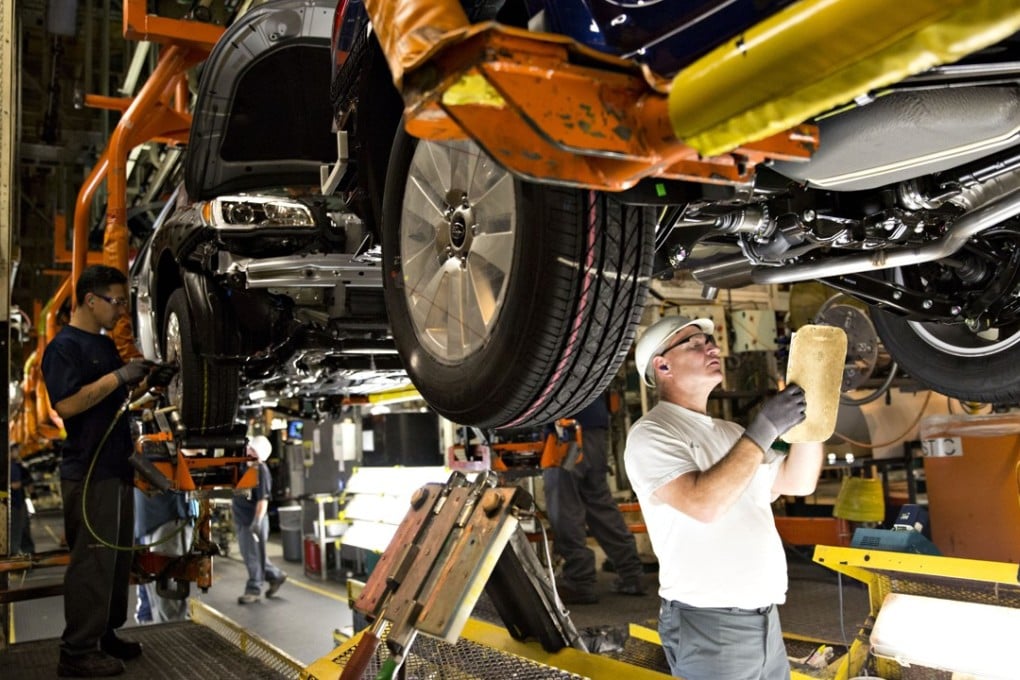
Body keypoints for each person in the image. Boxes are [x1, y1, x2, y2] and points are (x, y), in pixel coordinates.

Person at [624, 315, 824, 680]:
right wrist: (763, 430)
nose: (712, 347)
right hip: (710, 625)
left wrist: (816, 416)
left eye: (709, 341)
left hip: (764, 618)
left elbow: (798, 481)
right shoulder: (651, 434)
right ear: (662, 364)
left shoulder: (732, 434)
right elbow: (703, 504)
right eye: (695, 344)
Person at [42, 264, 157, 677]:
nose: (121, 310)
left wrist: (144, 381)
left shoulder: (105, 345)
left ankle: (103, 636)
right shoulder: (64, 347)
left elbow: (115, 399)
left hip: (115, 467)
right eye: (116, 301)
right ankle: (76, 651)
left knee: (113, 563)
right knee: (91, 564)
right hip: (88, 472)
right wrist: (118, 376)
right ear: (90, 300)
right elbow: (68, 405)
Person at [543, 395, 646, 604]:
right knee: (599, 502)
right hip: (594, 424)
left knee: (564, 506)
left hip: (565, 429)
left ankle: (579, 581)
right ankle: (632, 574)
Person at [233, 435, 287, 604]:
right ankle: (276, 575)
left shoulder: (261, 471)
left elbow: (262, 500)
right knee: (254, 554)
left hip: (254, 521)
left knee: (252, 556)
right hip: (242, 520)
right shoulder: (244, 466)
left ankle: (254, 589)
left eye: (253, 450)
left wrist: (256, 522)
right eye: (249, 448)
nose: (249, 452)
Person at [134, 489, 194, 624]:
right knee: (157, 599)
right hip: (150, 519)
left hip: (166, 516)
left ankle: (173, 640)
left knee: (168, 602)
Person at [10, 449, 36, 555]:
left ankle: (28, 555)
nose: (17, 452)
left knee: (24, 530)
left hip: (19, 503)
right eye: (14, 450)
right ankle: (14, 558)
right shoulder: (9, 467)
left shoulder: (18, 466)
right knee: (15, 532)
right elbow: (12, 486)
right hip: (13, 505)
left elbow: (28, 480)